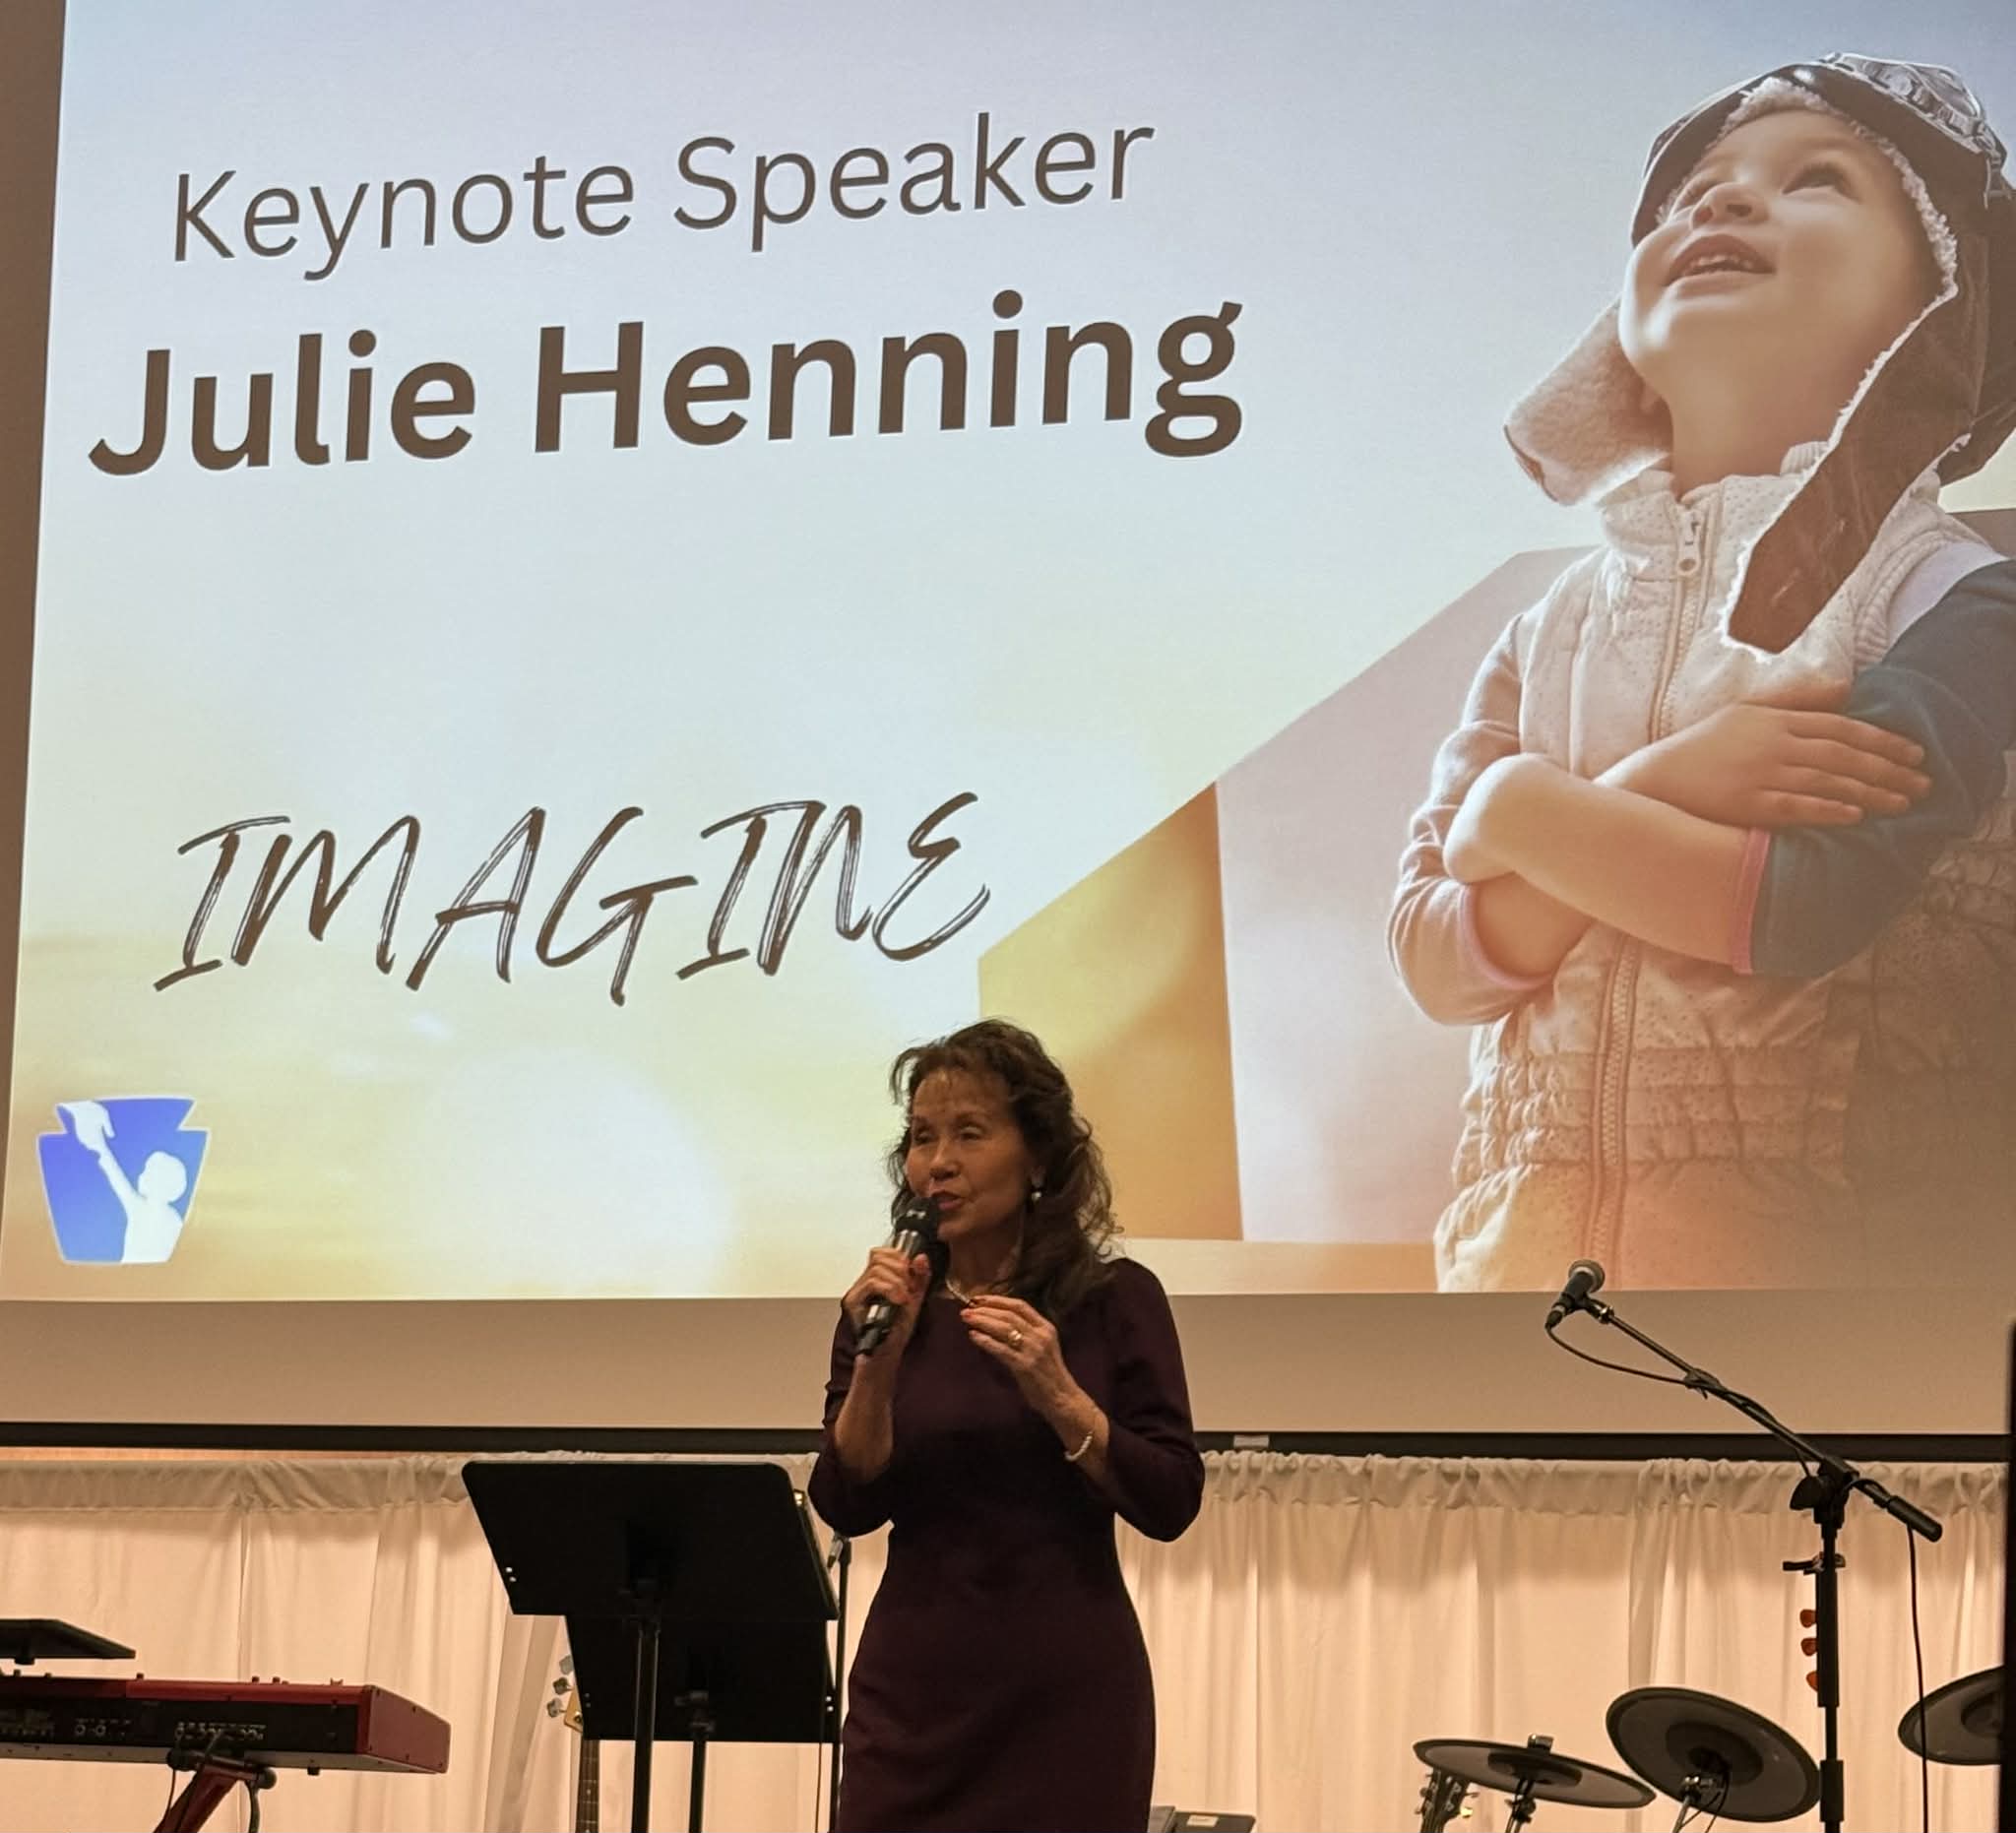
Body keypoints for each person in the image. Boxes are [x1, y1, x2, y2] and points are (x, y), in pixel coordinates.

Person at [1390, 55, 2016, 1291]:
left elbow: (1802, 907)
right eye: (1690, 194)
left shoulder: (1955, 598)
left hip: (1837, 1315)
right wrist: (1665, 779)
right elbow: (1436, 957)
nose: (1719, 202)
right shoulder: (1542, 631)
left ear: (1941, 299)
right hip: (1515, 1300)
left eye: (1815, 179)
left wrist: (1520, 814)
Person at [808, 1018, 1203, 1833]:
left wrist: (1060, 1395)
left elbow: (1171, 1500)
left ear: (1040, 1159)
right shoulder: (884, 1308)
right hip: (912, 1701)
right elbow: (846, 1503)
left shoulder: (1114, 1298)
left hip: (1065, 1702)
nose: (938, 1161)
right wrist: (880, 1361)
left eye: (969, 1132)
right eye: (922, 1137)